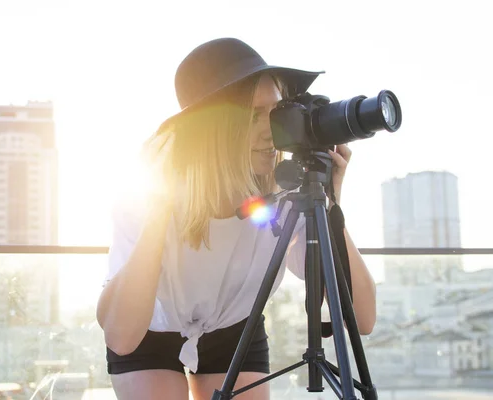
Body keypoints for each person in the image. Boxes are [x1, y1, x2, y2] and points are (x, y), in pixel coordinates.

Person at [96, 38, 377, 400]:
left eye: (275, 111)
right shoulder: (147, 189)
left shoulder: (289, 194)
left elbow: (363, 318)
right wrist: (160, 209)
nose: (269, 130)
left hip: (235, 325)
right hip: (151, 326)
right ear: (212, 130)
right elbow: (121, 336)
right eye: (252, 115)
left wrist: (328, 202)